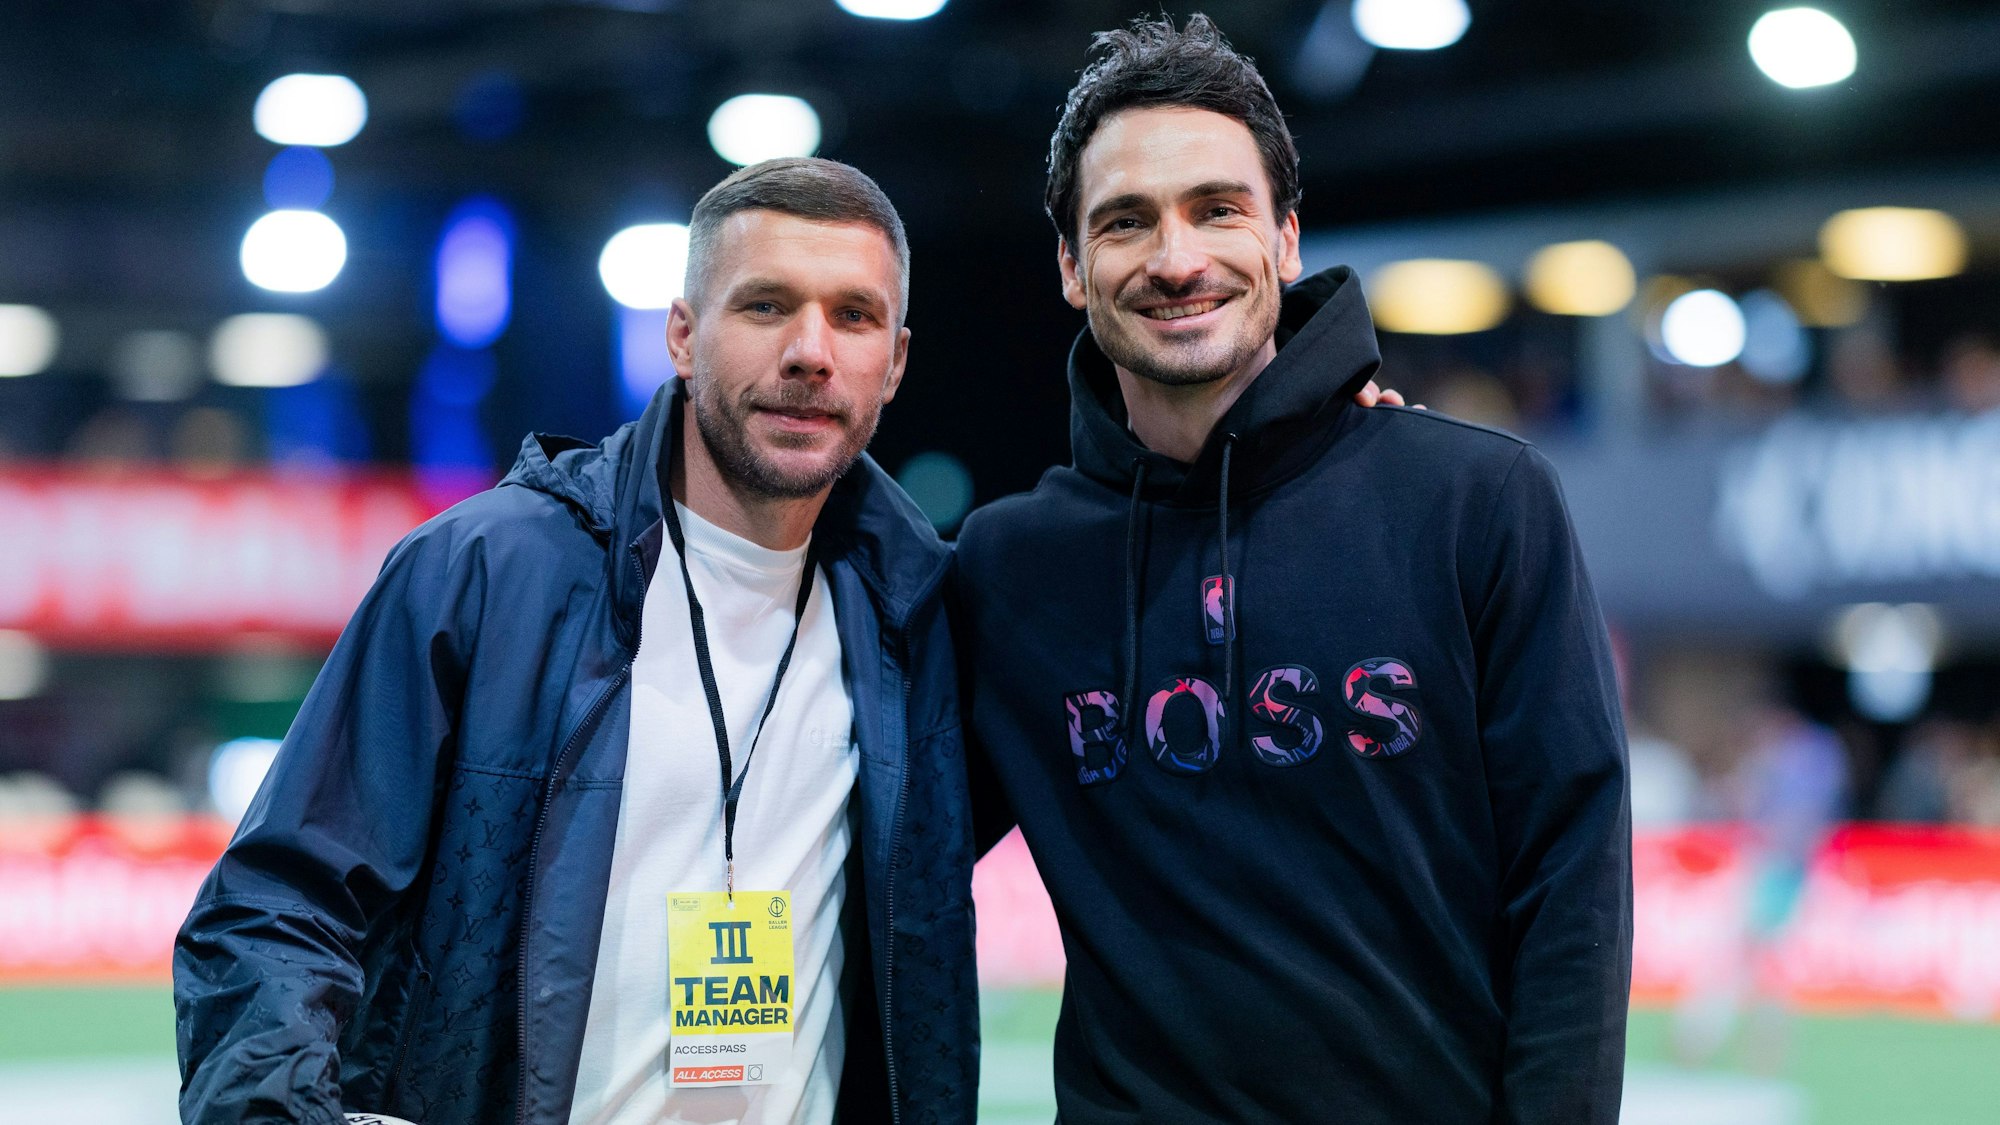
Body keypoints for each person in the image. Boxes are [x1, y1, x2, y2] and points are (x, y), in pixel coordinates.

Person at [175, 158, 978, 1125]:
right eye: (766, 306)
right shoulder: (482, 571)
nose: (812, 351)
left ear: (893, 362)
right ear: (683, 335)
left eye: (853, 316)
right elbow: (273, 908)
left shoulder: (916, 618)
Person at [952, 15, 1632, 1124]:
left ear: (1284, 240)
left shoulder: (1470, 502)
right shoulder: (1005, 567)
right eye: (1125, 222)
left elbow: (1572, 893)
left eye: (1216, 209)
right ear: (1073, 270)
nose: (1176, 259)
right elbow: (874, 832)